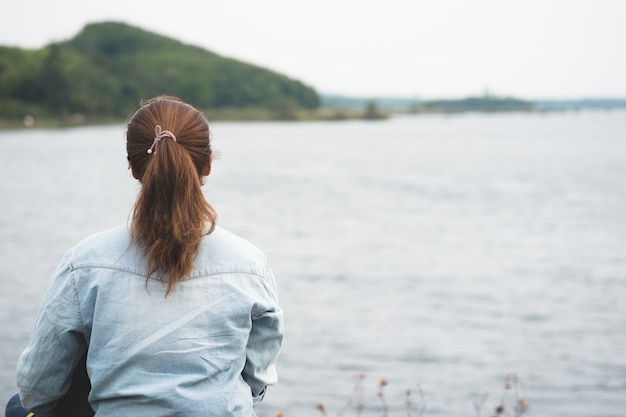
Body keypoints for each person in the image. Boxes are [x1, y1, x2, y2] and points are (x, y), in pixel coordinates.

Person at [6, 97, 284, 417]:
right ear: (207, 164)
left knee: (18, 409)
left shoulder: (82, 264)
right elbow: (257, 381)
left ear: (134, 167)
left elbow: (37, 390)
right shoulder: (251, 265)